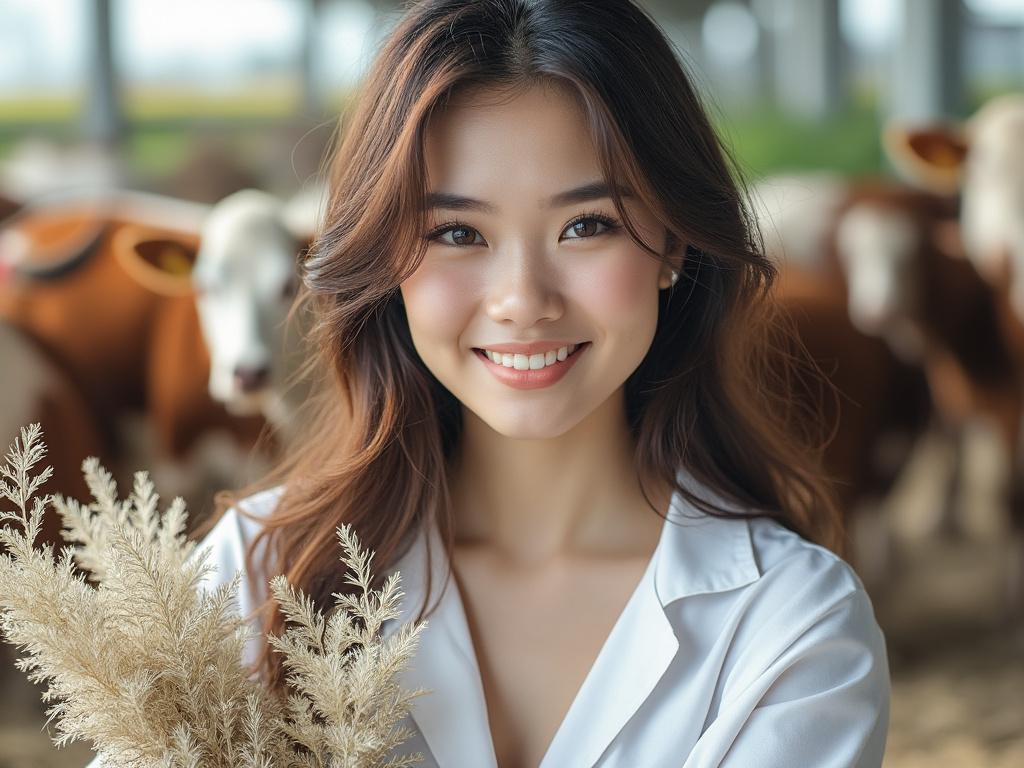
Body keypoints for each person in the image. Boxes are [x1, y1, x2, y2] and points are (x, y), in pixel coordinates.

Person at [86, 1, 889, 766]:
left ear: (673, 244)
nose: (522, 301)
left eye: (587, 225)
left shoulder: (793, 627)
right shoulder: (253, 570)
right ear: (386, 264)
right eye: (458, 233)